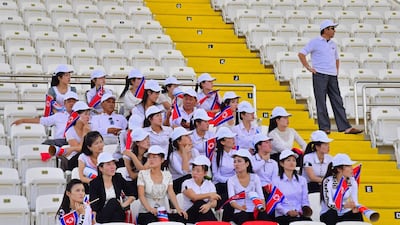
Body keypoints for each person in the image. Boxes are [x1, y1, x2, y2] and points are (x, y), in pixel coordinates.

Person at [298, 20, 363, 135]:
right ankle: (324, 127)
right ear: (326, 29)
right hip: (320, 74)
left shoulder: (333, 44)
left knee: (337, 100)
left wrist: (336, 70)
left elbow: (336, 58)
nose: (334, 31)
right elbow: (301, 54)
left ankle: (345, 127)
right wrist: (308, 67)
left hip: (332, 75)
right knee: (321, 101)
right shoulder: (315, 42)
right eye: (332, 28)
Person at [137, 145, 188, 224]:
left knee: (181, 217)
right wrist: (150, 209)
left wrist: (178, 208)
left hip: (162, 212)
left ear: (162, 160)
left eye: (154, 157)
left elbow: (171, 193)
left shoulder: (167, 175)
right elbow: (141, 195)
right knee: (151, 220)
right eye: (149, 157)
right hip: (146, 212)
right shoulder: (142, 174)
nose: (151, 160)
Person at [12, 91, 79, 147]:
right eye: (69, 101)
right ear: (65, 103)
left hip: (76, 141)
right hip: (60, 142)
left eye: (74, 101)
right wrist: (23, 120)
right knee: (46, 144)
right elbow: (42, 121)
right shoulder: (58, 116)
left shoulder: (82, 116)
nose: (72, 104)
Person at [227, 149, 272, 225]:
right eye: (235, 161)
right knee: (243, 216)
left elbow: (261, 197)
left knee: (263, 216)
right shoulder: (231, 180)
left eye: (239, 161)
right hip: (240, 211)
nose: (236, 164)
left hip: (254, 210)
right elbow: (232, 201)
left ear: (247, 164)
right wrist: (241, 208)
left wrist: (262, 207)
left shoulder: (255, 178)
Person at [89, 152, 135, 223]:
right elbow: (94, 206)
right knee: (113, 202)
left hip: (118, 213)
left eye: (113, 164)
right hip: (102, 215)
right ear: (101, 168)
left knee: (114, 203)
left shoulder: (118, 177)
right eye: (108, 164)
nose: (112, 167)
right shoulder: (94, 183)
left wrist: (123, 205)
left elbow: (133, 193)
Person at [320, 153, 363, 225]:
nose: (351, 168)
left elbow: (355, 201)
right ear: (339, 169)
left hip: (344, 213)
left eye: (351, 165)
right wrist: (344, 205)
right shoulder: (328, 181)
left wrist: (355, 207)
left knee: (357, 214)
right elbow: (329, 204)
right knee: (332, 213)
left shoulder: (352, 181)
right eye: (348, 166)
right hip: (329, 213)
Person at [272, 150, 312, 225]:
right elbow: (275, 202)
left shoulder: (302, 180)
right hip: (283, 215)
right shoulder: (276, 181)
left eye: (294, 160)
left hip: (299, 214)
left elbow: (305, 199)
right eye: (288, 160)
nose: (292, 163)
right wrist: (287, 211)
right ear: (281, 163)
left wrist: (304, 210)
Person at [182, 155, 220, 223]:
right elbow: (194, 197)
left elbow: (214, 202)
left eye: (198, 171)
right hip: (189, 215)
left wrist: (208, 205)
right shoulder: (186, 183)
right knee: (199, 203)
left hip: (204, 214)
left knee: (203, 207)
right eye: (193, 170)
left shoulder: (210, 184)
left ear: (205, 173)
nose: (194, 173)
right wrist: (209, 195)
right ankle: (215, 223)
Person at [211, 127, 237, 222]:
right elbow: (216, 174)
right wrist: (229, 181)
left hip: (234, 183)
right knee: (228, 195)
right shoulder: (216, 155)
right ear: (222, 142)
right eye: (229, 138)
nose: (232, 140)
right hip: (221, 184)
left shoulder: (236, 153)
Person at [168, 126, 200, 194]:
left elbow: (200, 168)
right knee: (188, 177)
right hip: (178, 184)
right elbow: (185, 172)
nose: (190, 138)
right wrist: (185, 154)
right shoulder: (173, 156)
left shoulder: (195, 151)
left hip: (194, 180)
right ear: (179, 141)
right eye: (186, 136)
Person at [63, 101, 92, 171]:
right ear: (77, 116)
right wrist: (85, 133)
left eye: (89, 114)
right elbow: (81, 149)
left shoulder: (91, 127)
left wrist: (72, 148)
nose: (88, 117)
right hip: (75, 159)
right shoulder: (70, 131)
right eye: (85, 114)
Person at [123, 127, 150, 198]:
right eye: (144, 139)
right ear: (137, 143)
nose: (148, 141)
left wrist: (133, 156)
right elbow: (132, 176)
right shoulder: (127, 156)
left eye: (148, 138)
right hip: (131, 183)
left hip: (145, 182)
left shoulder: (150, 154)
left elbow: (143, 170)